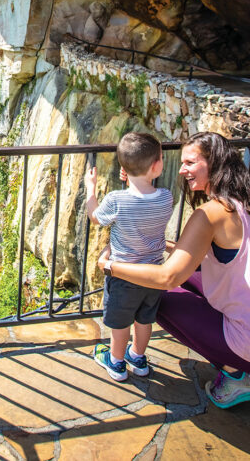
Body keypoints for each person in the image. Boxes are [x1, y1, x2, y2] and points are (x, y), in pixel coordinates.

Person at [98, 131, 250, 408]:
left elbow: (166, 278)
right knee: (186, 281)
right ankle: (238, 359)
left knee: (153, 296)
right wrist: (166, 246)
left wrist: (111, 266)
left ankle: (238, 375)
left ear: (214, 162)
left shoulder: (211, 213)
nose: (183, 170)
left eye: (190, 163)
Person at [84, 132, 173, 381]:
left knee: (120, 323)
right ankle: (138, 356)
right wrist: (135, 176)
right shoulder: (167, 198)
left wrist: (90, 189)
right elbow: (146, 199)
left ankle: (116, 362)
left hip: (122, 274)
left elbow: (96, 218)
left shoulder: (116, 200)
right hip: (153, 274)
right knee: (145, 321)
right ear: (156, 166)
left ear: (123, 168)